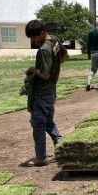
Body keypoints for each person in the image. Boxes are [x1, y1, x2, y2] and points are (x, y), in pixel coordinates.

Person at [21, 19, 68, 167]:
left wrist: (32, 70)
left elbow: (46, 74)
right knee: (48, 122)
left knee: (39, 125)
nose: (33, 41)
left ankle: (41, 158)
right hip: (51, 91)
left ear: (42, 33)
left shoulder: (44, 50)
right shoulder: (54, 40)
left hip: (41, 92)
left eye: (34, 37)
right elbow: (65, 57)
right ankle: (63, 149)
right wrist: (54, 66)